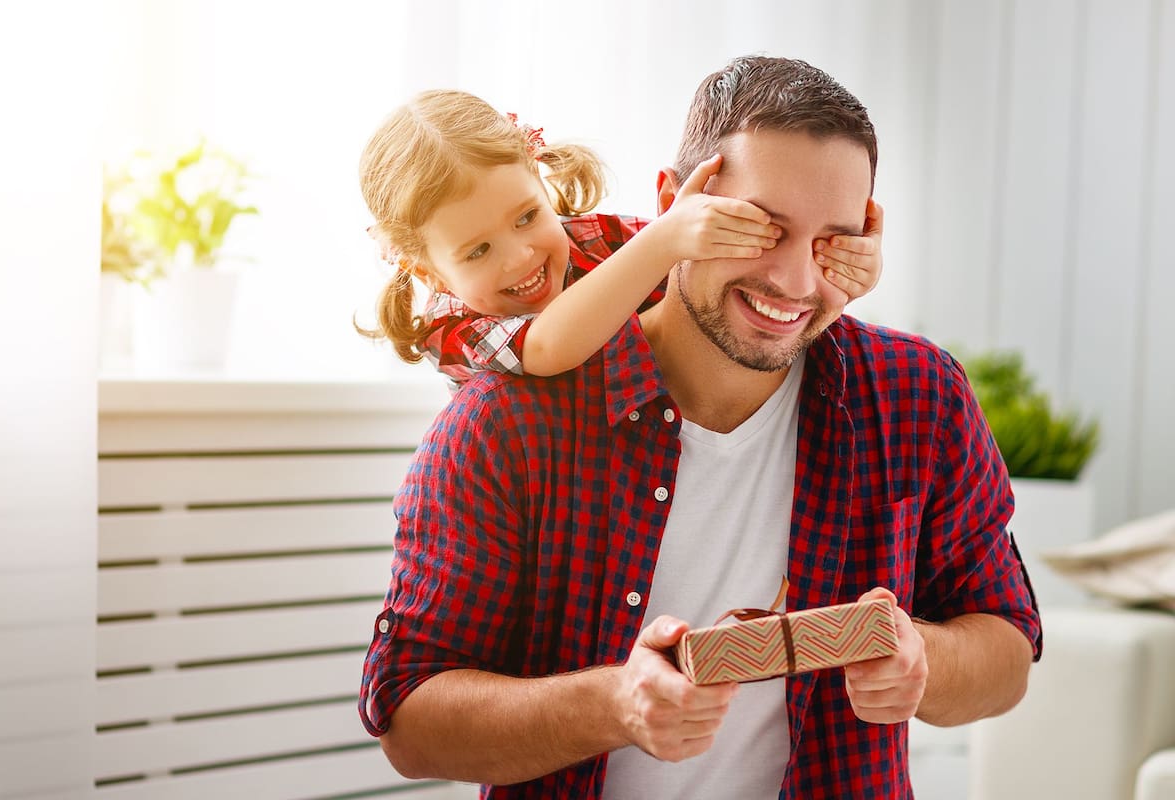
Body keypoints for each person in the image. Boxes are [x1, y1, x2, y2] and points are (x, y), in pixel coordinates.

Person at [358, 57, 1041, 800]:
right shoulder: (502, 426)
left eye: (831, 242)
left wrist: (923, 661)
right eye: (759, 229)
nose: (795, 282)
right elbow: (410, 721)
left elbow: (1008, 649)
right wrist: (614, 704)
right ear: (673, 207)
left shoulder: (918, 395)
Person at [357, 89, 883, 387]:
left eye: (525, 217)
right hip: (552, 481)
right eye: (477, 251)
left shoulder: (594, 240)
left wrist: (836, 261)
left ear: (540, 180)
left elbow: (706, 271)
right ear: (428, 271)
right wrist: (663, 240)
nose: (520, 255)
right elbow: (545, 346)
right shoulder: (452, 327)